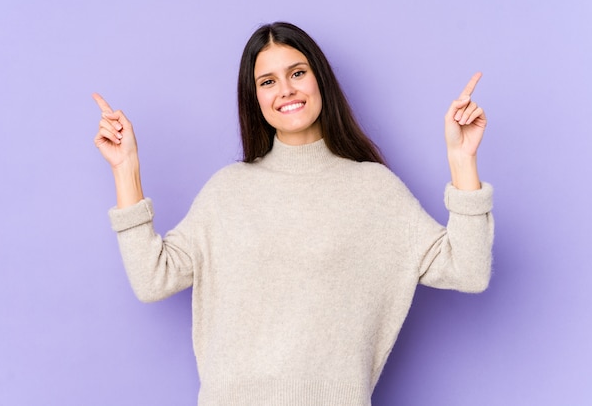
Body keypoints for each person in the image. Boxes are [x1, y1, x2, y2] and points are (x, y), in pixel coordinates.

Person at [93, 22, 493, 405]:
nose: (285, 90)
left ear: (319, 79)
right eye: (268, 82)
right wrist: (125, 168)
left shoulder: (373, 190)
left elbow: (468, 270)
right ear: (255, 98)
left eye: (297, 73)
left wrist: (462, 160)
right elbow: (152, 279)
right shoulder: (228, 191)